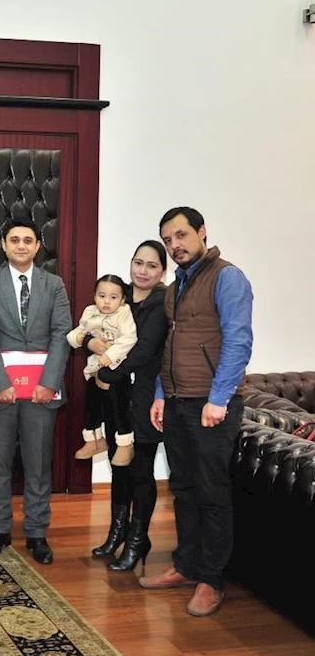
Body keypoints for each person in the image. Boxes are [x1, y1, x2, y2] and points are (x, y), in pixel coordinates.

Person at [142, 207, 253, 617]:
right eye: (168, 240)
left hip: (211, 405)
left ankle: (211, 579)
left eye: (182, 235)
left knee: (211, 492)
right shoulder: (176, 286)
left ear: (202, 231)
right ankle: (187, 565)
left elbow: (239, 342)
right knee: (184, 489)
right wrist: (160, 393)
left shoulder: (228, 277)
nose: (175, 245)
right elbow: (171, 347)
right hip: (177, 402)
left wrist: (219, 399)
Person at [0, 220, 72, 564]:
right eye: (14, 239)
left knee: (38, 464)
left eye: (28, 240)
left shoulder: (54, 285)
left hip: (42, 390)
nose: (21, 245)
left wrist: (50, 382)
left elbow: (61, 333)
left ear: (38, 246)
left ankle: (36, 532)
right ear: (3, 245)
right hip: (2, 391)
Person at [89, 241, 168, 572]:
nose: (143, 271)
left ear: (162, 271)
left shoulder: (162, 303)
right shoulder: (118, 298)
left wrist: (105, 373)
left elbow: (144, 351)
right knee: (118, 466)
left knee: (141, 471)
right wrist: (90, 342)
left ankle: (138, 540)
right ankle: (117, 532)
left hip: (146, 399)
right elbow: (94, 331)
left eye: (152, 265)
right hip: (117, 398)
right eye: (138, 263)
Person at [68, 275, 138, 465]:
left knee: (120, 407)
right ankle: (94, 439)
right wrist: (79, 339)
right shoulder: (90, 312)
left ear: (122, 300)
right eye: (102, 296)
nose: (107, 302)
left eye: (113, 297)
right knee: (91, 405)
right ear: (94, 296)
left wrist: (111, 355)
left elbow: (129, 338)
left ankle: (125, 444)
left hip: (118, 368)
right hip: (94, 368)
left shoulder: (124, 313)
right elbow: (77, 332)